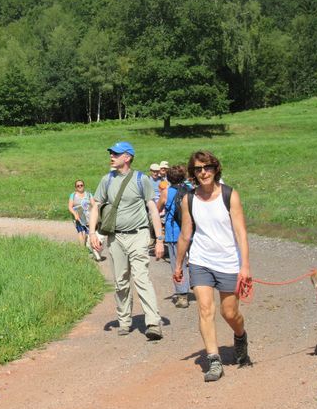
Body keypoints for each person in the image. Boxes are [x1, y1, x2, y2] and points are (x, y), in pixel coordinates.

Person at [174, 150, 252, 382]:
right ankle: (214, 360)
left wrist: (245, 266)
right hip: (200, 261)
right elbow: (185, 234)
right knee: (205, 309)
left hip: (228, 262)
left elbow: (241, 233)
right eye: (198, 169)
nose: (203, 172)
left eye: (207, 167)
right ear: (193, 173)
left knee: (229, 313)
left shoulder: (230, 195)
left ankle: (240, 336)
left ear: (215, 168)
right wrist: (178, 265)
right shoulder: (189, 199)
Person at [89, 141, 165, 340]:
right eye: (111, 153)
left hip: (139, 235)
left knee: (141, 278)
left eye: (116, 153)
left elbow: (153, 209)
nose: (111, 156)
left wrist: (159, 239)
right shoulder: (106, 180)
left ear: (128, 157)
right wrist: (92, 234)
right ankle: (124, 320)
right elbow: (95, 206)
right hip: (116, 238)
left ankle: (153, 322)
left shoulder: (142, 180)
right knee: (121, 281)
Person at [157, 165, 191, 308]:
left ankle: (182, 295)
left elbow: (157, 209)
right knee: (195, 261)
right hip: (192, 231)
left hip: (174, 233)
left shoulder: (166, 192)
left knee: (178, 264)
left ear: (168, 178)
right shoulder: (190, 191)